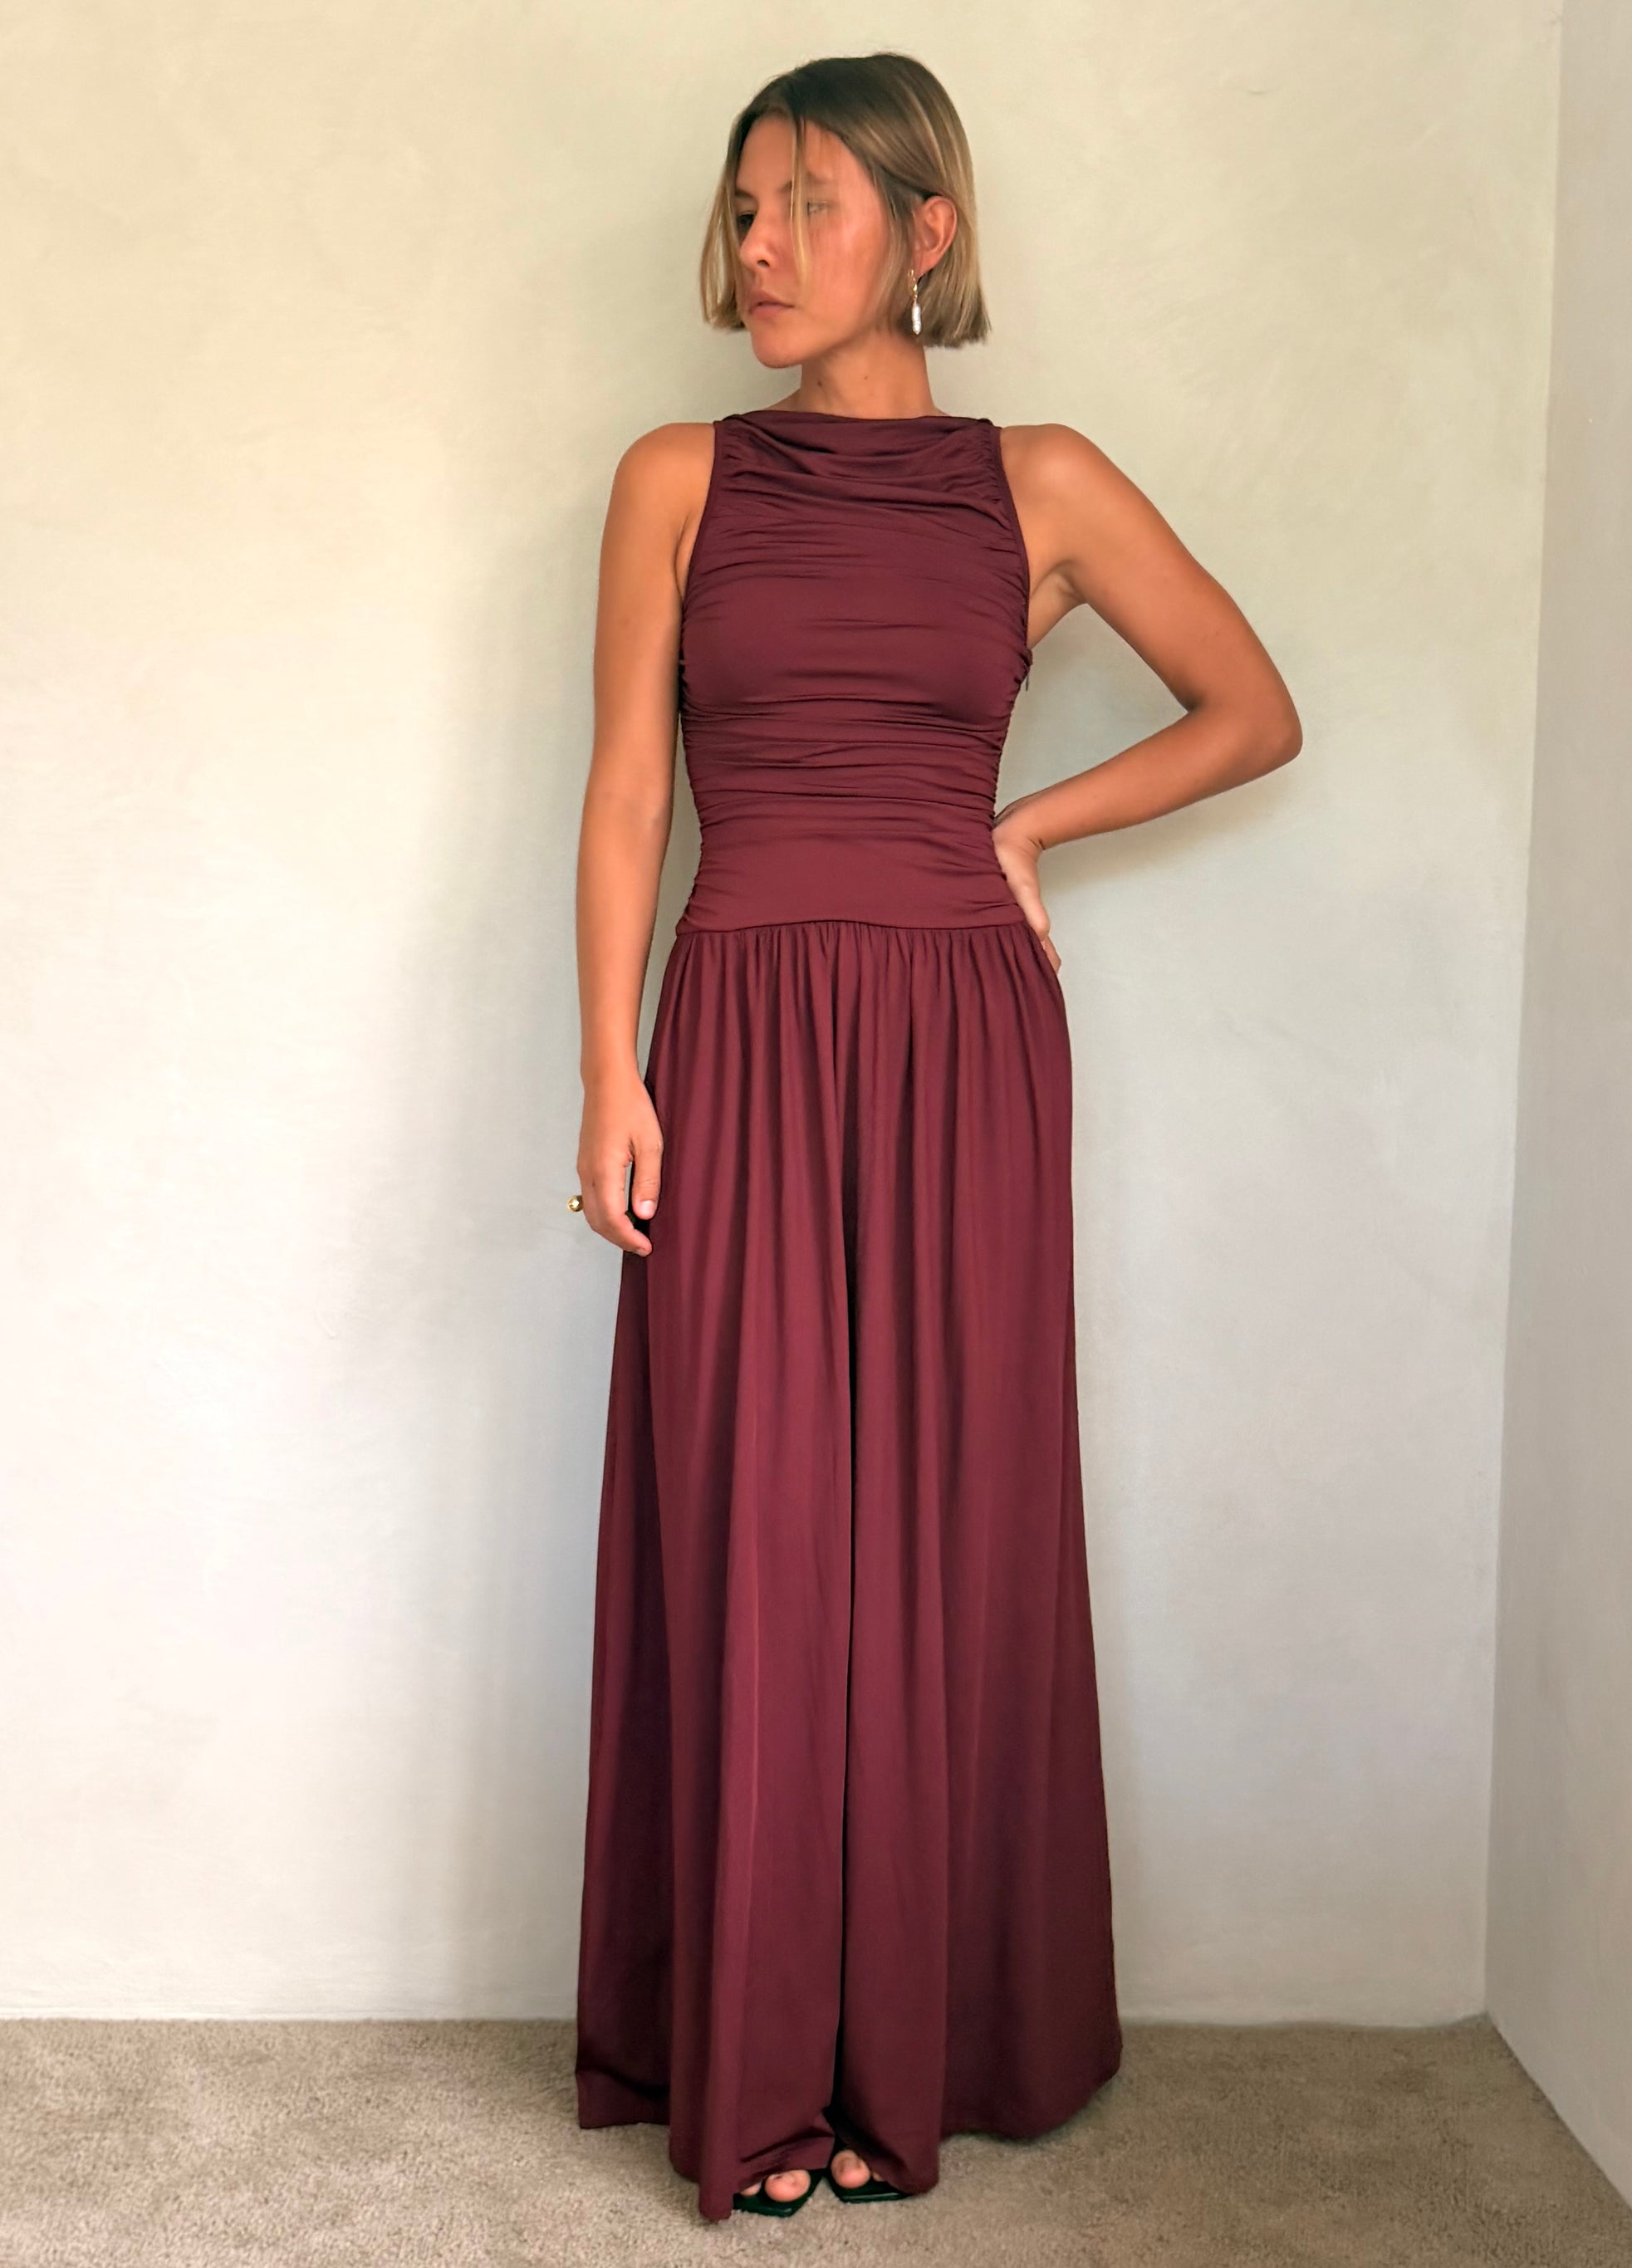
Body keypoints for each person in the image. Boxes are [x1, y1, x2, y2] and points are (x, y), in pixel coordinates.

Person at [569, 52, 1301, 2224]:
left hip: (964, 1043)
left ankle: (915, 2053)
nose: (761, 248)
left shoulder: (1039, 484)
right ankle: (764, 2067)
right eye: (746, 208)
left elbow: (1253, 707)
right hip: (741, 1026)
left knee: (944, 1527)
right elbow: (629, 790)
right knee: (757, 1523)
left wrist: (1028, 826)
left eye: (808, 204)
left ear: (928, 231)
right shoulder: (676, 476)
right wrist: (608, 1068)